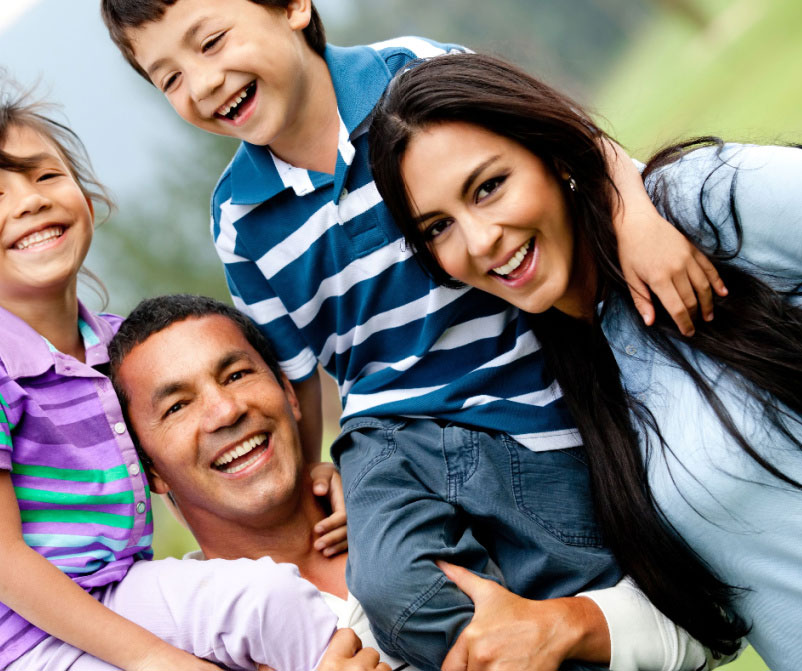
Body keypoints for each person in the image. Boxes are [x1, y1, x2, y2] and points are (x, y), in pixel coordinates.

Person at [99, 2, 740, 667]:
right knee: (391, 591)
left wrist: (635, 216)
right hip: (387, 435)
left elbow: (572, 139)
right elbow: (290, 369)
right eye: (168, 77)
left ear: (293, 6)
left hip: (522, 402)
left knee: (592, 574)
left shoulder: (416, 74)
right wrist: (320, 461)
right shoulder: (241, 221)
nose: (200, 84)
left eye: (210, 43)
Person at [368, 52, 802, 671]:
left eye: (489, 186)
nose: (479, 240)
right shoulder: (557, 378)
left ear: (551, 158)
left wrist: (630, 192)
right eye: (438, 227)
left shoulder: (696, 204)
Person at [0, 73, 372, 671]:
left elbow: (179, 469)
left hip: (114, 591)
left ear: (88, 201)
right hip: (6, 636)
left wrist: (318, 481)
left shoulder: (114, 343)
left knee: (267, 600)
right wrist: (157, 660)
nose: (29, 200)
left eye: (46, 176)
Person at [107, 292, 728, 671]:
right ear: (151, 471)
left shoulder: (434, 482)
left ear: (291, 398)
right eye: (177, 407)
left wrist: (565, 629)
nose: (225, 411)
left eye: (238, 374)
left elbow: (698, 629)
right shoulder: (184, 637)